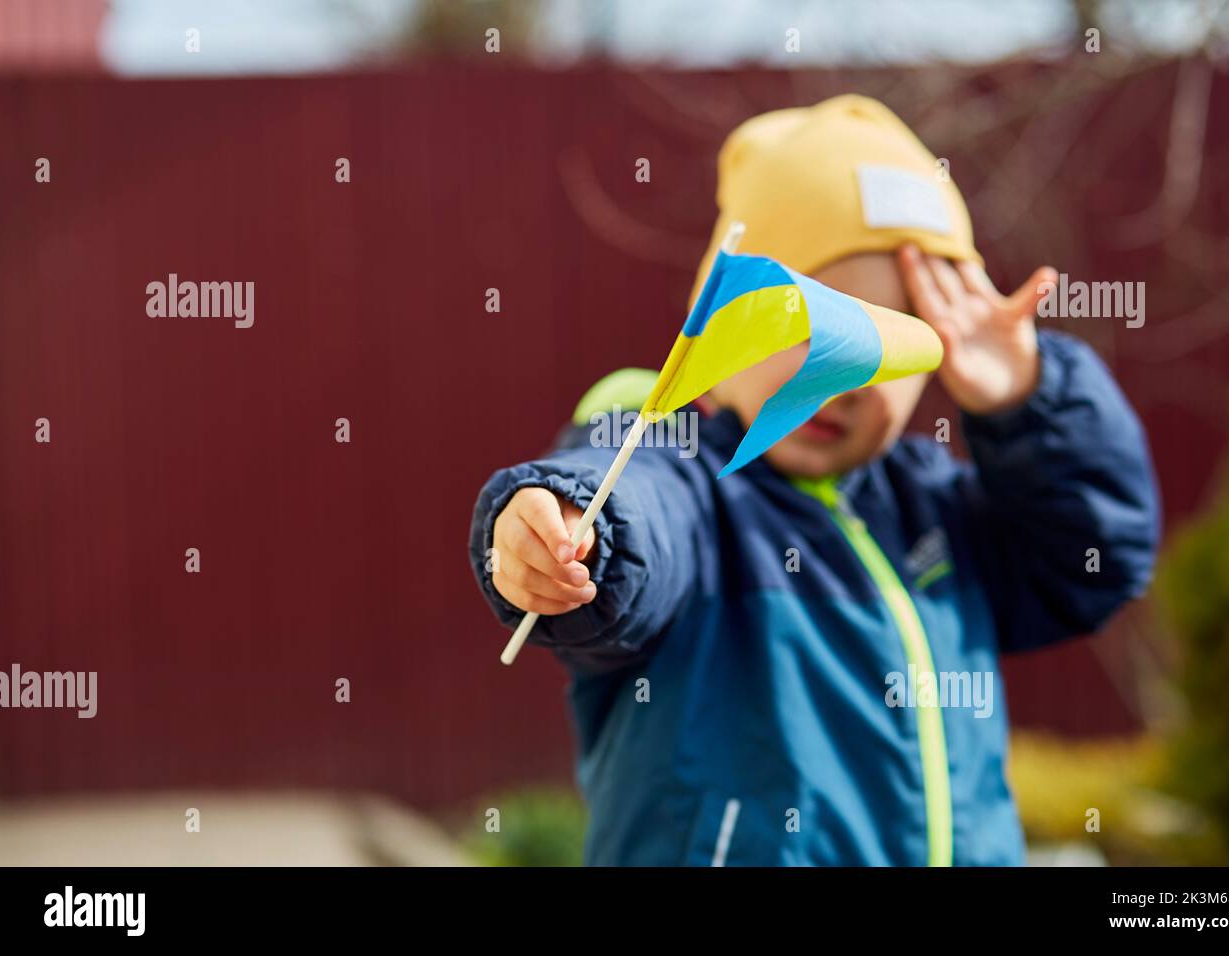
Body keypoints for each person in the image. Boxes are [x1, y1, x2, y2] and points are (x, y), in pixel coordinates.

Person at [467, 95, 1160, 865]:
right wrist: (574, 533)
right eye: (808, 325)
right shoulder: (683, 475)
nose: (839, 378)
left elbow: (1091, 558)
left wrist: (1028, 403)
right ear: (722, 323)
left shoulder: (939, 516)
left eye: (883, 341)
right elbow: (637, 512)